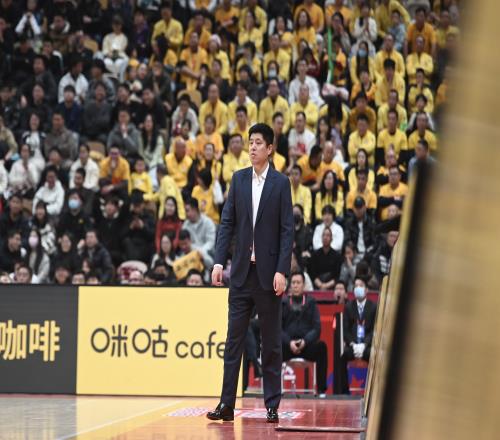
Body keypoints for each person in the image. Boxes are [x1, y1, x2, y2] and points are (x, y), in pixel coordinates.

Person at [208, 123, 293, 423]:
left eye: (258, 143)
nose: (253, 147)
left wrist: (282, 270)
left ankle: (272, 404)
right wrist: (219, 262)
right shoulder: (238, 179)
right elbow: (227, 223)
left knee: (270, 344)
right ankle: (226, 404)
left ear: (270, 148)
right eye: (250, 142)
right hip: (241, 274)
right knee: (234, 342)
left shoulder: (281, 183)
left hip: (269, 275)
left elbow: (287, 230)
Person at [281, 271, 328, 396]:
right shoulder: (283, 302)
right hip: (288, 347)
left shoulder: (311, 303)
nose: (295, 285)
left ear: (303, 285)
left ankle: (321, 390)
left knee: (322, 347)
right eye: (293, 283)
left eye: (298, 283)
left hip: (306, 346)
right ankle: (274, 389)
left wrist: (305, 341)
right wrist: (289, 342)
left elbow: (317, 328)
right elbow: (278, 329)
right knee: (273, 348)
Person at [339, 276, 377, 394]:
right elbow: (345, 330)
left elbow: (374, 330)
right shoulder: (349, 306)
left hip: (367, 346)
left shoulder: (373, 307)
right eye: (356, 286)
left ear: (366, 290)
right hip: (353, 345)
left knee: (375, 357)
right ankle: (344, 392)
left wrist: (364, 344)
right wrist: (353, 344)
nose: (358, 288)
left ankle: (372, 391)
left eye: (361, 286)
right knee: (342, 356)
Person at [182, 197, 216, 269]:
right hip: (191, 255)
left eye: (187, 210)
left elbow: (210, 243)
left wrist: (200, 252)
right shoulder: (185, 225)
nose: (186, 214)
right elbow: (185, 244)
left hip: (207, 254)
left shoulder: (208, 222)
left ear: (195, 209)